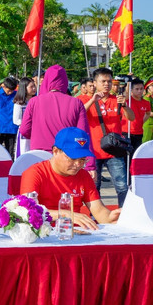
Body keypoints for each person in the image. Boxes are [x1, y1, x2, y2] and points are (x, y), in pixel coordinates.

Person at [20, 127, 120, 229]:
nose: (78, 164)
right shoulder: (35, 173)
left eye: (82, 159)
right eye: (72, 159)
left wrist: (110, 217)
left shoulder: (84, 176)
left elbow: (99, 212)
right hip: (43, 233)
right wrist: (66, 214)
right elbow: (27, 211)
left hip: (75, 234)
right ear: (55, 151)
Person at [79, 67, 133, 206]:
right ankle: (95, 216)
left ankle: (124, 214)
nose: (106, 84)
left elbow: (132, 118)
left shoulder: (117, 99)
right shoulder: (83, 99)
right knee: (93, 187)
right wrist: (92, 100)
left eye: (109, 81)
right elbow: (77, 114)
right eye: (103, 81)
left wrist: (125, 106)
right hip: (92, 152)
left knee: (122, 186)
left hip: (114, 151)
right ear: (95, 83)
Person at [20, 65, 90, 153]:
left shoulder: (34, 101)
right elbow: (82, 134)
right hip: (65, 154)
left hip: (39, 155)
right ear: (65, 81)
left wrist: (37, 136)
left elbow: (24, 130)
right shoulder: (76, 102)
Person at [0, 77, 18, 156]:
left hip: (11, 127)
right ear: (3, 86)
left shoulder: (16, 95)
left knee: (10, 151)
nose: (10, 92)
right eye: (9, 90)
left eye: (12, 90)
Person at [12, 77, 36, 157]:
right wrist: (28, 124)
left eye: (34, 86)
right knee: (24, 150)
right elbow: (16, 120)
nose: (34, 88)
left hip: (35, 131)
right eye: (31, 87)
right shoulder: (19, 103)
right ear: (24, 88)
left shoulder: (37, 101)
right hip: (24, 132)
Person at [127, 78, 151, 152]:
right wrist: (128, 81)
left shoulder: (146, 103)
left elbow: (148, 113)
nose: (139, 91)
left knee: (136, 154)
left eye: (141, 89)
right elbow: (126, 93)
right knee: (127, 156)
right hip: (127, 132)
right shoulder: (128, 101)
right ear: (132, 90)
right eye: (137, 89)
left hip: (139, 132)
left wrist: (141, 121)